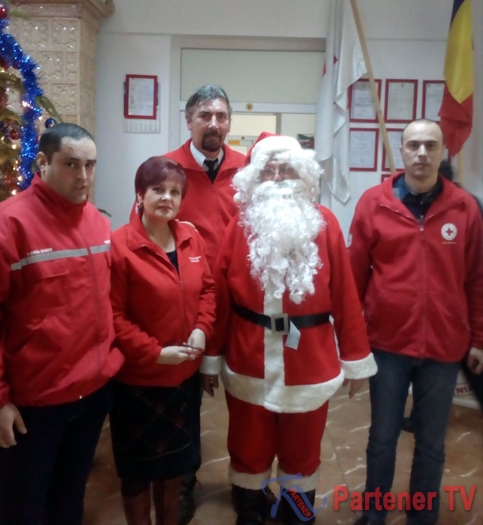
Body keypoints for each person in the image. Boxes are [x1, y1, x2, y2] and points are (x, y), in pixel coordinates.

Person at [200, 135, 377, 525]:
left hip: (309, 361)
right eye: (269, 170)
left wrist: (355, 360)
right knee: (248, 445)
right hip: (248, 357)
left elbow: (346, 296)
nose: (278, 177)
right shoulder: (240, 226)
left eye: (287, 169)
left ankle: (297, 514)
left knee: (303, 451)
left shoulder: (324, 223)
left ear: (303, 174)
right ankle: (250, 511)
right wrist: (211, 358)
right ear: (255, 178)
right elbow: (221, 297)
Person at [349, 119, 483, 525]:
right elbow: (354, 279)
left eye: (430, 145)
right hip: (386, 345)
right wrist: (352, 345)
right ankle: (373, 514)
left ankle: (421, 517)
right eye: (414, 145)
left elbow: (477, 279)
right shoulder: (373, 203)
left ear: (442, 152)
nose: (422, 153)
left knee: (431, 444)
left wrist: (478, 338)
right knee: (382, 438)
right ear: (402, 150)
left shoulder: (465, 208)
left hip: (444, 347)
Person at [0, 123, 124, 525]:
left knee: (70, 500)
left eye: (90, 165)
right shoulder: (10, 224)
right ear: (43, 162)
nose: (83, 176)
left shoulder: (97, 222)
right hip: (36, 403)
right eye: (71, 164)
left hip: (91, 395)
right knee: (24, 507)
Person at [109, 156, 216, 525]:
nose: (167, 198)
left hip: (182, 380)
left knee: (174, 471)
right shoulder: (119, 245)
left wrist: (202, 327)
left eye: (175, 192)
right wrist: (155, 353)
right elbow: (113, 317)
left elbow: (208, 290)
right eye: (158, 189)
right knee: (137, 474)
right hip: (138, 382)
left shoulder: (191, 237)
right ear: (140, 195)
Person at [164, 84, 245, 269]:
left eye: (221, 117)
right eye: (205, 116)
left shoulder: (246, 170)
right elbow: (142, 230)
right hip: (183, 279)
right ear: (188, 121)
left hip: (233, 280)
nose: (214, 125)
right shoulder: (165, 170)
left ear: (229, 124)